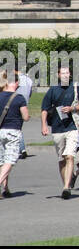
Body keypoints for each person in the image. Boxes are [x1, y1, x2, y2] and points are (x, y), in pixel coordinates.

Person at [40, 66, 79, 200]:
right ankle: (66, 185)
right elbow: (44, 109)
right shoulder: (53, 90)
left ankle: (66, 187)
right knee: (61, 159)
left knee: (70, 156)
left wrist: (72, 108)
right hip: (57, 129)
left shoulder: (76, 87)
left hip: (72, 127)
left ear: (69, 75)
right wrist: (44, 125)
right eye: (62, 73)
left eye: (67, 73)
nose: (65, 75)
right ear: (58, 75)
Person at [0, 71, 30, 199]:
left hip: (0, 131)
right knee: (10, 160)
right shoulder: (19, 98)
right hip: (13, 131)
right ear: (16, 83)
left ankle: (5, 189)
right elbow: (26, 117)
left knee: (2, 161)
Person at [15, 69, 33, 159]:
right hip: (24, 105)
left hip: (14, 105)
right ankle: (21, 149)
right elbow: (30, 94)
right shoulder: (29, 80)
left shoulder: (15, 79)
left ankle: (21, 149)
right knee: (18, 128)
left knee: (15, 129)